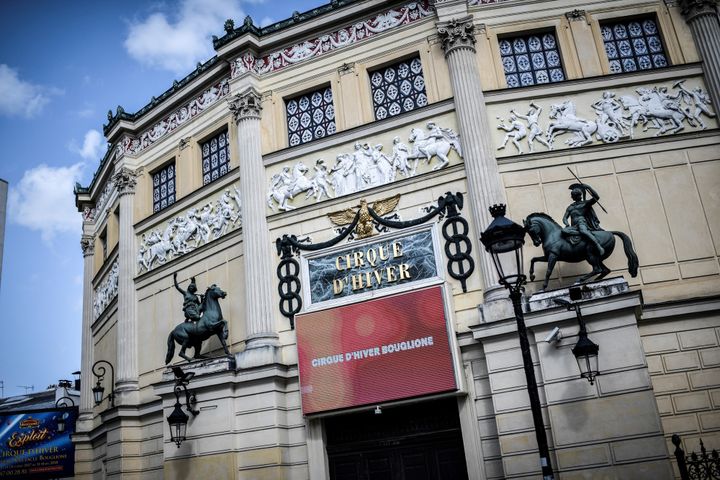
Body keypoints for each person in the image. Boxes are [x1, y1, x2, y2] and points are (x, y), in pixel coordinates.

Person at [562, 183, 605, 256]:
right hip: (574, 226)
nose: (573, 197)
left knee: (582, 230)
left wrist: (588, 187)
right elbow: (564, 218)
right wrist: (567, 224)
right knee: (563, 231)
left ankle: (598, 246)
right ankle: (581, 234)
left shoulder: (585, 204)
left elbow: (596, 197)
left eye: (576, 195)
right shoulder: (570, 207)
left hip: (581, 223)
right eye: (573, 196)